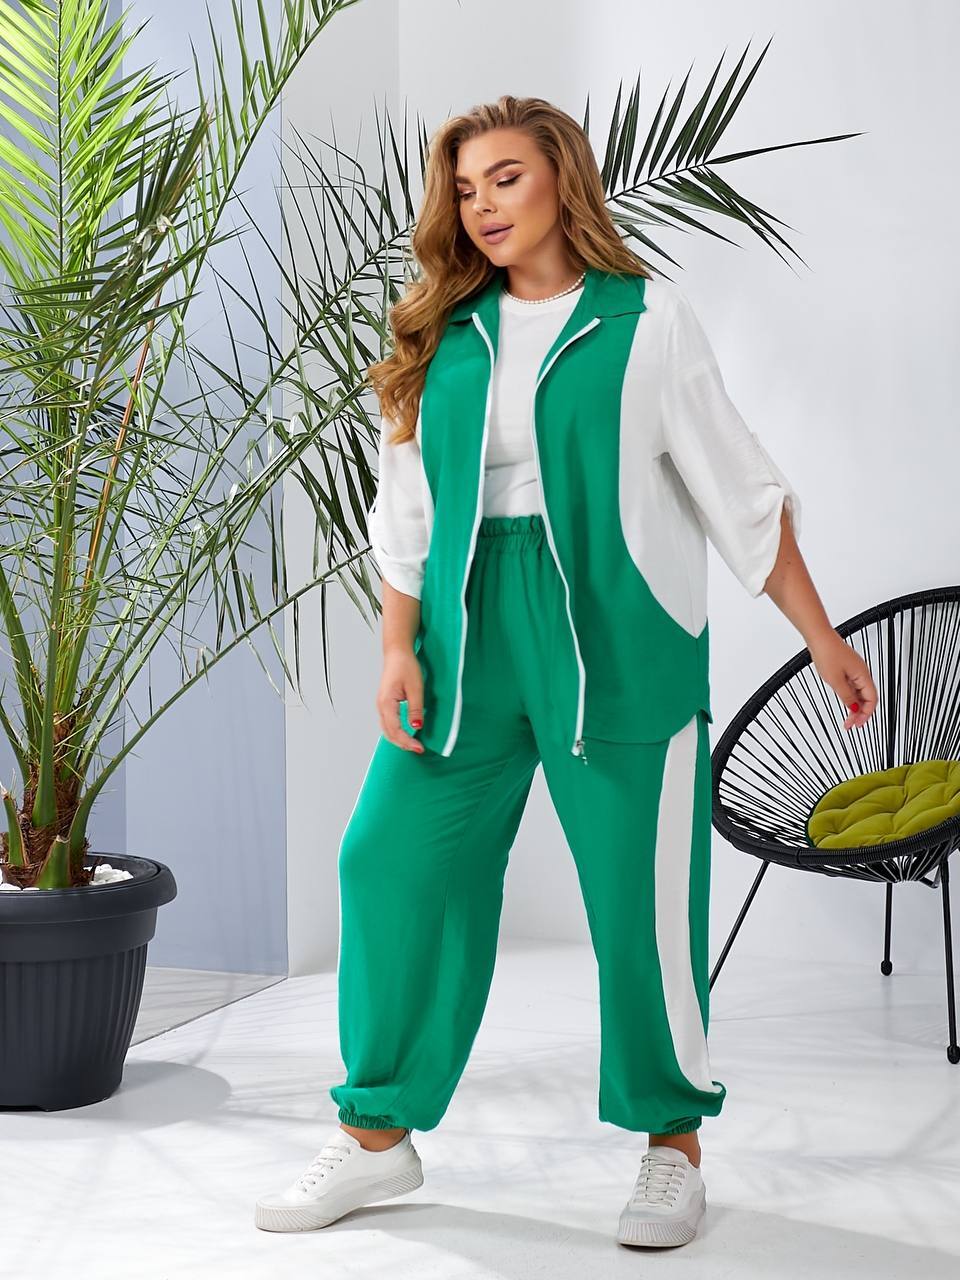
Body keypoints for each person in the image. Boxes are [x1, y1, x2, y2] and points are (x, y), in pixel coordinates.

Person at [256, 94, 878, 1245]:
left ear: (562, 180)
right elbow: (407, 506)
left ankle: (672, 1145)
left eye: (505, 177)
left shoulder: (646, 321)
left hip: (619, 636)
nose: (483, 205)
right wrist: (397, 644)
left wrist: (821, 634)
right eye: (465, 189)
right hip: (464, 632)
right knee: (387, 857)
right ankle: (378, 1136)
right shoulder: (444, 331)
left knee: (642, 900)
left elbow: (740, 488)